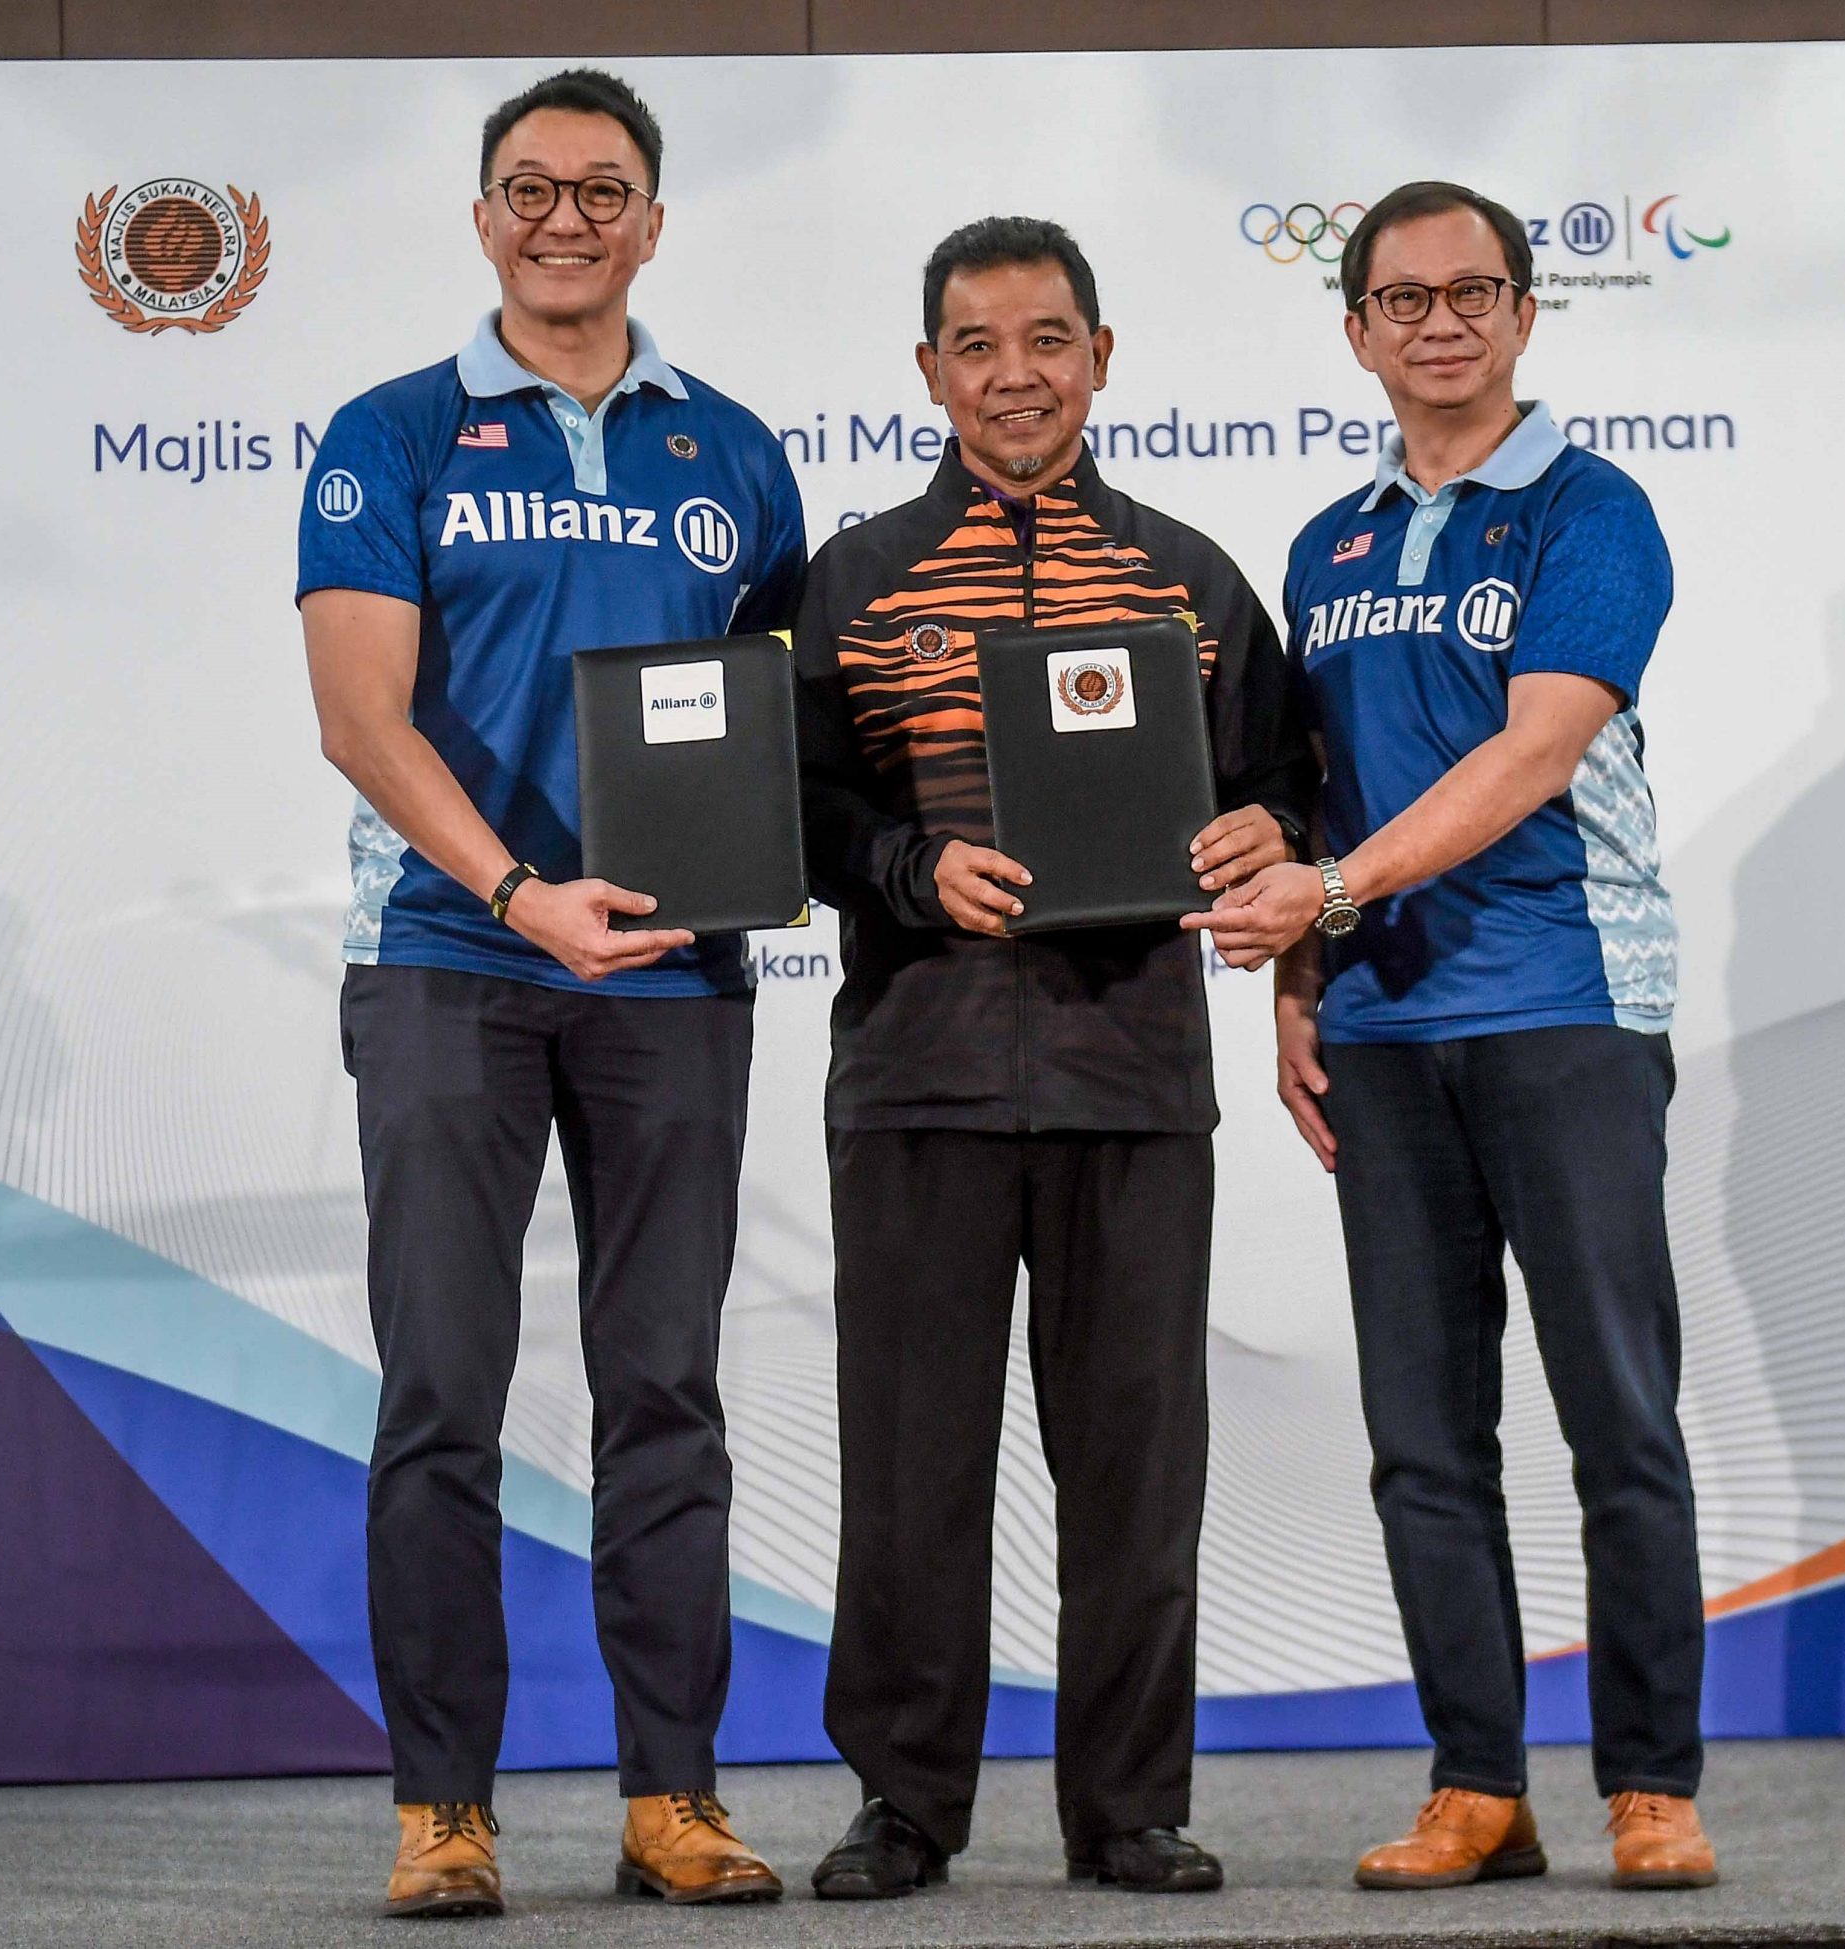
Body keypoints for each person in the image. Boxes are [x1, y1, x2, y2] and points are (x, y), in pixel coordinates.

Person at [293, 68, 808, 1918]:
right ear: (485, 215)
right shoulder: (390, 432)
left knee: (664, 1391)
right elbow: (362, 717)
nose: (566, 217)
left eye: (603, 190)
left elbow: (771, 729)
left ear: (655, 221)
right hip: (450, 966)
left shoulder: (737, 451)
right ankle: (445, 1809)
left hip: (674, 977)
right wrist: (519, 890)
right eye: (531, 188)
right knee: (443, 1388)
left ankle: (676, 1796)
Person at [1188, 180, 1719, 1893]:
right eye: (1404, 299)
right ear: (1356, 331)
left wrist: (1325, 896)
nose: (1441, 322)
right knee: (1424, 1432)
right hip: (1386, 1025)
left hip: (1564, 999)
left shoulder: (1591, 506)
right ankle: (1478, 1783)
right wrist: (1297, 983)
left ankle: (1651, 1781)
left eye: (1473, 292)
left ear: (1523, 314)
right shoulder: (1325, 547)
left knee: (1618, 1411)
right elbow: (1311, 790)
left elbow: (1530, 757)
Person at [790, 216, 1310, 1900]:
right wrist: (904, 869)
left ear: (1101, 354)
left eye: (1048, 339)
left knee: (1137, 1470)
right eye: (977, 343)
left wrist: (1259, 837)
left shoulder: (1194, 578)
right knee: (911, 1460)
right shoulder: (856, 577)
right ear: (930, 369)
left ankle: (1128, 1806)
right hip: (917, 1078)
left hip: (1136, 1078)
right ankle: (904, 1800)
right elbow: (797, 804)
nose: (1015, 374)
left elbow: (1289, 791)